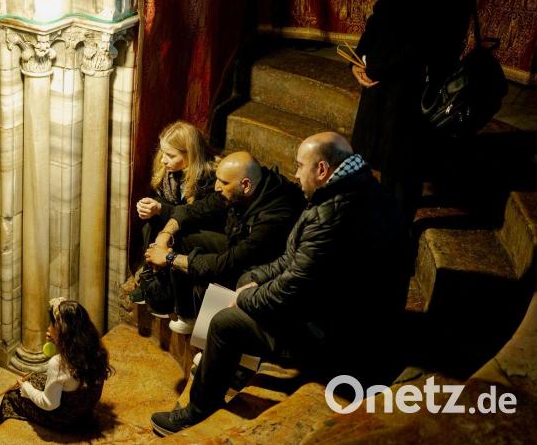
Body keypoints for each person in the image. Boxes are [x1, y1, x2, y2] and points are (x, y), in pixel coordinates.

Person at [150, 132, 407, 436]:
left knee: (226, 321)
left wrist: (245, 299)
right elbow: (293, 258)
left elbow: (292, 287)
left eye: (300, 166)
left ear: (322, 170)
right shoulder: (352, 191)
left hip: (335, 333)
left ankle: (196, 411)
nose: (295, 174)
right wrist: (256, 280)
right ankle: (222, 364)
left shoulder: (332, 215)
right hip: (334, 306)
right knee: (248, 277)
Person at [350, 0, 476, 229]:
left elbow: (429, 38)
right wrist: (361, 57)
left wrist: (380, 66)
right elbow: (381, 12)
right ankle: (379, 218)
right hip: (387, 74)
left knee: (404, 164)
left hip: (417, 80)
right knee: (380, 154)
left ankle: (397, 233)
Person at [142, 151, 305, 334]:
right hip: (236, 245)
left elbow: (230, 262)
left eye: (224, 183)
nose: (217, 187)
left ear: (245, 185)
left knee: (216, 269)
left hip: (260, 270)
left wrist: (169, 258)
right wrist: (164, 236)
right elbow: (192, 210)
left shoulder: (274, 216)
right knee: (182, 236)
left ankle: (209, 335)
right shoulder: (239, 189)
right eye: (218, 180)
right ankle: (187, 314)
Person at [132, 121, 216, 321]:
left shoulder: (208, 179)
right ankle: (150, 280)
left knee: (178, 236)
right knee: (150, 223)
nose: (163, 161)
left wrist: (161, 209)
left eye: (170, 155)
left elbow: (194, 215)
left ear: (190, 155)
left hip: (202, 230)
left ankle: (170, 296)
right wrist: (150, 206)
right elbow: (168, 202)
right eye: (163, 153)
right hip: (178, 220)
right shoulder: (169, 173)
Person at [0, 298, 113, 431]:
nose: (48, 328)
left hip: (65, 419)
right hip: (84, 411)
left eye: (52, 324)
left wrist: (25, 388)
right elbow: (68, 375)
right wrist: (57, 341)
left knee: (11, 396)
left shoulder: (57, 364)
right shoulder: (94, 349)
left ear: (61, 331)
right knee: (36, 377)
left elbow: (49, 403)